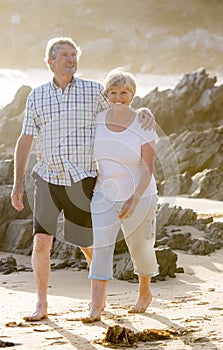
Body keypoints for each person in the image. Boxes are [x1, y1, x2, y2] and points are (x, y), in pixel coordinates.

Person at [11, 37, 155, 322]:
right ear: (50, 61)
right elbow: (26, 138)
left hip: (83, 179)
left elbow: (120, 103)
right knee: (41, 241)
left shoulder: (92, 91)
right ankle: (41, 304)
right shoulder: (36, 96)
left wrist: (143, 111)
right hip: (48, 177)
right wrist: (17, 183)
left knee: (85, 241)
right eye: (65, 55)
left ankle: (99, 291)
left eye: (74, 55)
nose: (71, 59)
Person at [81, 68, 159, 323]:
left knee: (140, 247)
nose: (118, 97)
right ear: (106, 95)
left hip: (140, 195)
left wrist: (135, 198)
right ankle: (96, 304)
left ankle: (145, 293)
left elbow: (148, 167)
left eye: (123, 92)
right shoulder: (96, 121)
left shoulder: (143, 123)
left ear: (132, 94)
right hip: (104, 194)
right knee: (101, 246)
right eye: (113, 92)